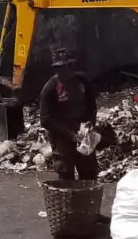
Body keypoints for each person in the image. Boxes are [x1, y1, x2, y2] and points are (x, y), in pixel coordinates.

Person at [38, 47, 99, 181]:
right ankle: (68, 201)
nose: (64, 71)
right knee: (65, 171)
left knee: (89, 170)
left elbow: (91, 105)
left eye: (67, 67)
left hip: (82, 131)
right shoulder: (50, 89)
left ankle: (86, 199)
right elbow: (46, 120)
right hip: (61, 133)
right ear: (55, 70)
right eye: (59, 68)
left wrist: (90, 121)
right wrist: (70, 135)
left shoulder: (82, 81)